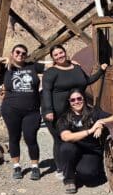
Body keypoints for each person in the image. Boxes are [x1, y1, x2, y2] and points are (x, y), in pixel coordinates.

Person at [41, 45, 107, 179]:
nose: (59, 56)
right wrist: (48, 110)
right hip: (56, 112)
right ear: (53, 58)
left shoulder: (76, 68)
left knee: (79, 139)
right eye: (56, 55)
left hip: (76, 111)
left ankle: (78, 164)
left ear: (65, 52)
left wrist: (101, 70)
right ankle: (61, 168)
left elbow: (87, 81)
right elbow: (46, 91)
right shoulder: (51, 72)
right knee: (60, 140)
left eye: (61, 53)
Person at [0, 44, 45, 180]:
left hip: (32, 111)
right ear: (12, 54)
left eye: (24, 53)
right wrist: (3, 59)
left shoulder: (32, 66)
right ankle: (16, 166)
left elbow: (51, 66)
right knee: (14, 137)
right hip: (11, 110)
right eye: (17, 52)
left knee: (31, 138)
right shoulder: (5, 68)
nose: (20, 55)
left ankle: (35, 167)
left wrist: (69, 62)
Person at [57, 89, 113, 194]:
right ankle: (69, 179)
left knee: (88, 175)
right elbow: (66, 137)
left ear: (84, 99)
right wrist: (91, 130)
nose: (76, 102)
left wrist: (101, 122)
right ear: (69, 102)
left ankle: (82, 168)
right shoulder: (65, 117)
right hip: (74, 148)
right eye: (73, 100)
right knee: (66, 148)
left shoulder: (93, 112)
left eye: (79, 98)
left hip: (91, 151)